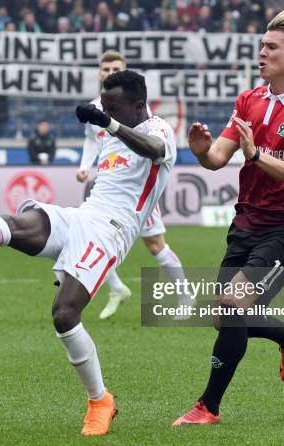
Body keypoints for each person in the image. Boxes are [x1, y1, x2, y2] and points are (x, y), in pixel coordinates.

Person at [0, 70, 176, 436]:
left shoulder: (159, 131)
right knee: (14, 227)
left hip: (113, 232)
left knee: (64, 314)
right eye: (104, 105)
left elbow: (154, 152)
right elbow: (98, 119)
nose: (106, 111)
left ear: (138, 106)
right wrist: (98, 117)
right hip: (83, 216)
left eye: (114, 107)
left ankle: (100, 401)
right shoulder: (112, 126)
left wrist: (107, 122)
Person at [173, 10, 284, 426]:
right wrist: (201, 149)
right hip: (246, 224)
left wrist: (256, 155)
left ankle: (208, 407)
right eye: (261, 46)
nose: (262, 53)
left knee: (232, 303)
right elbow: (217, 159)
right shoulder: (249, 100)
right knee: (225, 315)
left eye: (271, 47)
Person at [77, 50, 190, 320]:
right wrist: (84, 165)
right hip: (110, 184)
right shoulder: (96, 107)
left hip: (137, 188)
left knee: (155, 245)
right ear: (100, 73)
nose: (110, 73)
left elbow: (147, 140)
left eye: (116, 68)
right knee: (89, 236)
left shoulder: (134, 108)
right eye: (106, 70)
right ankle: (117, 288)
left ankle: (186, 294)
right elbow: (93, 139)